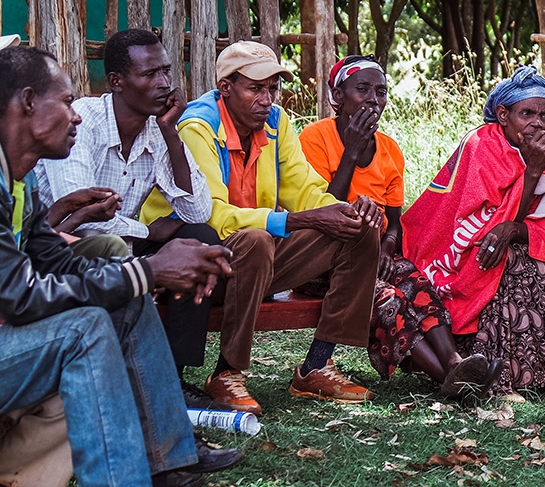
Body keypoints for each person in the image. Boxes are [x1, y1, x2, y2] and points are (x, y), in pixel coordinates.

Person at [0, 45, 242, 487]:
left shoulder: (18, 184)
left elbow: (55, 260)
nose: (75, 115)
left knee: (119, 279)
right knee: (87, 327)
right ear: (30, 102)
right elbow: (21, 298)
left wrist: (139, 276)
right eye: (67, 101)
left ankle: (167, 457)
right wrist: (148, 269)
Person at [176, 41, 382, 416]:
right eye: (255, 88)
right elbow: (210, 217)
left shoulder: (276, 122)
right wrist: (299, 220)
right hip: (203, 269)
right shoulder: (198, 127)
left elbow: (303, 189)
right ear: (226, 88)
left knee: (360, 229)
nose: (266, 98)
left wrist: (345, 210)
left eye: (272, 88)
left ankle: (317, 364)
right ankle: (226, 374)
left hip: (258, 262)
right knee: (254, 240)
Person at [32, 29, 226, 410]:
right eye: (150, 74)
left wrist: (172, 135)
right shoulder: (81, 122)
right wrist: (148, 230)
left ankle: (174, 375)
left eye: (167, 71)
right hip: (61, 244)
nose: (165, 83)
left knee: (200, 235)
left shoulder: (157, 129)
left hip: (123, 243)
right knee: (115, 245)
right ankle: (123, 376)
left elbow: (197, 210)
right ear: (118, 82)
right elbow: (81, 214)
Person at [299, 55, 498, 399]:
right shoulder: (315, 139)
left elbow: (393, 224)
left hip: (373, 254)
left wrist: (388, 247)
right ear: (337, 97)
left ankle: (453, 361)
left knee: (416, 280)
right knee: (387, 297)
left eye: (380, 91)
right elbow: (320, 213)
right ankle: (450, 380)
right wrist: (352, 151)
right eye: (362, 89)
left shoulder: (390, 150)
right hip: (321, 260)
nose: (373, 99)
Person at [402, 65, 545, 402]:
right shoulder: (480, 145)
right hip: (459, 249)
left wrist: (513, 228)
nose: (538, 123)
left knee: (536, 257)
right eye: (527, 113)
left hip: (521, 237)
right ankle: (499, 376)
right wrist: (532, 172)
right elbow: (473, 223)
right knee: (501, 258)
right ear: (503, 115)